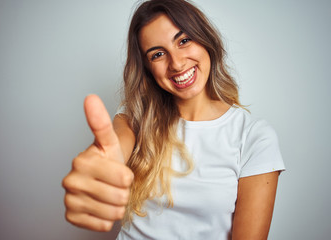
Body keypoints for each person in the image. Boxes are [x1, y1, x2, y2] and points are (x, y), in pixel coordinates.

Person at [62, 0, 285, 239]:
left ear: (205, 39)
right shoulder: (135, 116)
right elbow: (114, 151)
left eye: (184, 41)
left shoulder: (253, 136)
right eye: (158, 54)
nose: (177, 63)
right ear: (147, 68)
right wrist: (100, 171)